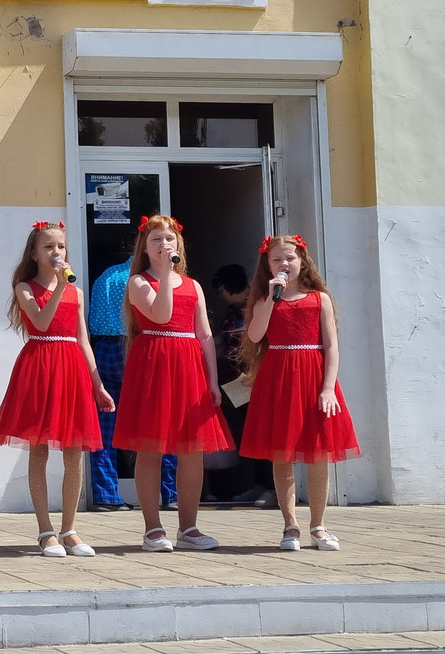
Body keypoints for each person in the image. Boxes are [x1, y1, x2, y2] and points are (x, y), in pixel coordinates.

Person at [113, 215, 234, 552]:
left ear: (178, 243)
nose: (164, 245)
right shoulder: (138, 282)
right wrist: (166, 273)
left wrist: (212, 380)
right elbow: (162, 315)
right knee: (150, 447)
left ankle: (189, 528)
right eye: (156, 240)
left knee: (192, 449)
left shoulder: (193, 286)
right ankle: (153, 528)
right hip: (154, 364)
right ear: (144, 247)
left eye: (170, 239)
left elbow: (205, 335)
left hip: (189, 366)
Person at [0, 222, 113, 556]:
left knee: (75, 452)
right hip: (40, 366)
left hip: (71, 369)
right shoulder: (25, 288)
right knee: (39, 449)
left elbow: (83, 341)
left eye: (60, 246)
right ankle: (45, 531)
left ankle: (70, 530)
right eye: (48, 247)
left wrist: (98, 384)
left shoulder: (77, 292)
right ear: (34, 253)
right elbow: (42, 322)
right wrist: (60, 286)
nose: (56, 252)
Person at [238, 235, 360, 551]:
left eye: (290, 258)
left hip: (314, 377)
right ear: (267, 265)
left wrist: (328, 388)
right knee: (283, 454)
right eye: (277, 259)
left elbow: (331, 346)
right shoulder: (264, 300)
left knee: (318, 453)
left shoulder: (319, 299)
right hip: (279, 378)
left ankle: (318, 526)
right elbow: (255, 335)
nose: (284, 264)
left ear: (302, 261)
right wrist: (270, 298)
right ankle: (289, 525)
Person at [87, 257, 178, 512]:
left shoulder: (107, 275)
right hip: (137, 345)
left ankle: (106, 495)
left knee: (105, 422)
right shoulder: (148, 279)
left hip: (103, 347)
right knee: (158, 419)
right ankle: (170, 492)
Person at [209, 264, 275, 507]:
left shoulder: (257, 305)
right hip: (237, 385)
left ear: (228, 287)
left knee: (264, 433)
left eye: (220, 291)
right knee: (248, 434)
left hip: (256, 380)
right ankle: (256, 484)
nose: (221, 296)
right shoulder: (231, 311)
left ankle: (271, 487)